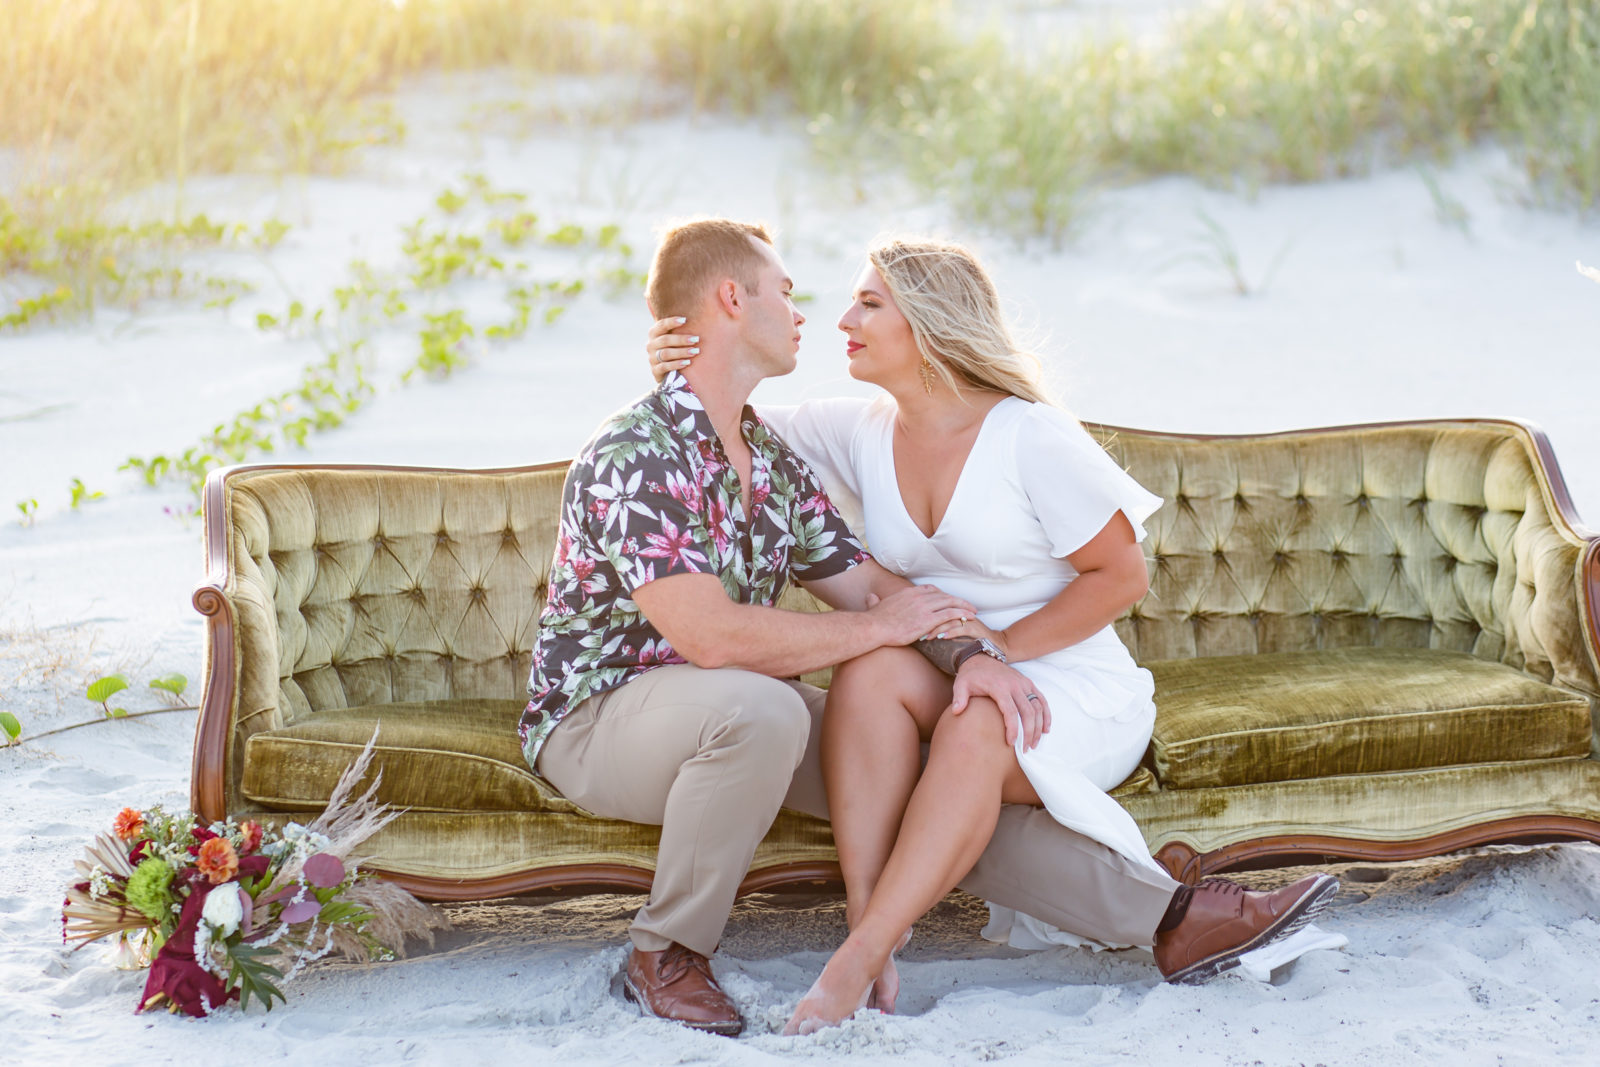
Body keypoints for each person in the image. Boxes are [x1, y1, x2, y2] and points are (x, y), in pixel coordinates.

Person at [641, 234, 1338, 1035]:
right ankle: (881, 930)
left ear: (930, 324)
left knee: (979, 716)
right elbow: (722, 407)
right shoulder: (857, 429)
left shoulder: (1028, 435)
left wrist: (997, 655)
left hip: (1071, 682)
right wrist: (662, 354)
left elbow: (1120, 577)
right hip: (961, 671)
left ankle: (855, 958)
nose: (843, 320)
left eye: (869, 303)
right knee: (870, 669)